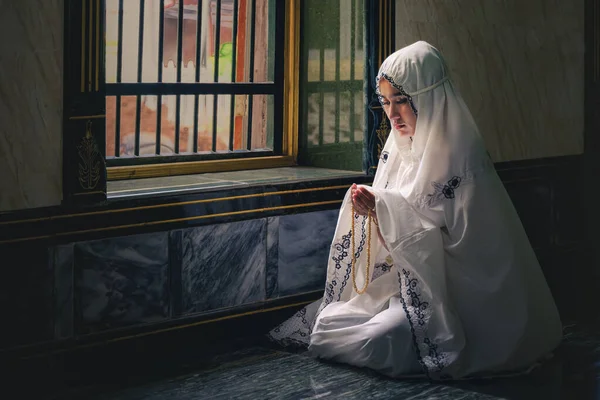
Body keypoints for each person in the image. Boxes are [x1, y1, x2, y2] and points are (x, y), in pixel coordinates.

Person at [268, 41, 562, 380]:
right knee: (329, 326)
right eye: (386, 102)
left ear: (429, 98)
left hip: (456, 298)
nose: (392, 115)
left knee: (376, 340)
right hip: (404, 284)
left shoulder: (460, 161)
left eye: (403, 101)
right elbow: (397, 233)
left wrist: (386, 209)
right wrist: (375, 208)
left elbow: (468, 254)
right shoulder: (399, 152)